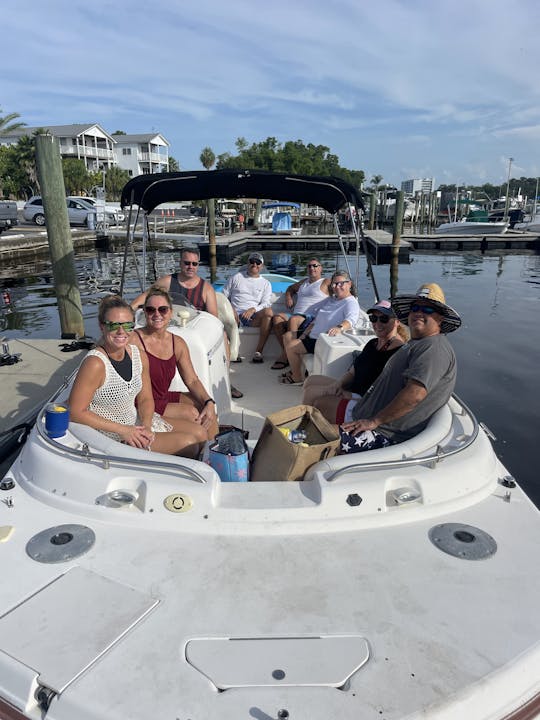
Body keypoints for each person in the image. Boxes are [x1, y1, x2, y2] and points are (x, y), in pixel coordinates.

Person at [68, 296, 208, 458]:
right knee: (189, 444)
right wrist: (123, 430)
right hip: (112, 434)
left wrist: (147, 426)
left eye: (127, 325)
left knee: (200, 432)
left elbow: (145, 399)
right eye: (114, 325)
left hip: (137, 422)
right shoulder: (96, 363)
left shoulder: (138, 356)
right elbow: (75, 412)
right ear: (102, 327)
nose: (121, 331)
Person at [340, 282, 461, 453]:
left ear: (440, 318)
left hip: (385, 433)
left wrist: (374, 421)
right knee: (313, 414)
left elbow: (415, 395)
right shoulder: (417, 343)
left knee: (312, 441)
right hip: (366, 414)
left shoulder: (434, 348)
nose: (419, 312)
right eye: (415, 307)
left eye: (427, 309)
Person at [131, 246, 243, 399]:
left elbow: (213, 320)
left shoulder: (207, 289)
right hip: (168, 324)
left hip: (194, 328)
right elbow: (147, 296)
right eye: (187, 263)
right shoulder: (167, 281)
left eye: (194, 264)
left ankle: (224, 378)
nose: (190, 267)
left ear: (198, 265)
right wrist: (130, 309)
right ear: (180, 263)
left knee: (222, 334)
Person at [130, 286, 219, 439]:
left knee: (205, 408)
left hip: (163, 397)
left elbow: (192, 380)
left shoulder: (177, 343)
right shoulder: (133, 340)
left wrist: (209, 402)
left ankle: (217, 450)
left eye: (162, 309)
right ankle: (205, 448)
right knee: (192, 414)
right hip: (142, 403)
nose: (157, 314)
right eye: (151, 310)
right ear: (145, 312)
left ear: (170, 312)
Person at [302, 300, 406, 423]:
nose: (377, 323)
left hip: (366, 402)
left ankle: (305, 429)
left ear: (397, 322)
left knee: (314, 395)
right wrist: (338, 385)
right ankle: (308, 425)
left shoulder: (398, 353)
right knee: (311, 381)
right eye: (373, 318)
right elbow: (353, 372)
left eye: (384, 319)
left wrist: (350, 396)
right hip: (354, 390)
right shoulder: (373, 343)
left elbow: (388, 393)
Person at [280, 270, 365, 385]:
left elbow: (350, 320)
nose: (337, 287)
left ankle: (297, 378)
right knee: (288, 336)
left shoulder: (350, 302)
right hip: (312, 334)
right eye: (334, 284)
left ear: (349, 284)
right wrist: (305, 334)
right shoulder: (332, 299)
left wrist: (339, 327)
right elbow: (316, 319)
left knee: (291, 346)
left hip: (321, 339)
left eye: (341, 283)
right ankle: (297, 370)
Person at [271, 257, 331, 370]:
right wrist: (288, 297)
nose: (311, 268)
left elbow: (338, 291)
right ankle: (288, 352)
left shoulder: (325, 282)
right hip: (296, 315)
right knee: (277, 318)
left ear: (321, 268)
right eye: (309, 266)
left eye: (315, 266)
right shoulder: (304, 282)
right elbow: (290, 288)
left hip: (311, 318)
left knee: (293, 319)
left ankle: (285, 356)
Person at [222, 251, 273, 363]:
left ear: (262, 266)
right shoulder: (236, 277)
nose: (254, 264)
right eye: (252, 261)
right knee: (224, 314)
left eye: (258, 263)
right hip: (234, 315)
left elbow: (266, 303)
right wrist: (232, 310)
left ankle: (258, 352)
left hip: (253, 317)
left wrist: (253, 309)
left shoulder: (266, 283)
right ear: (247, 263)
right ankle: (232, 351)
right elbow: (223, 297)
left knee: (268, 313)